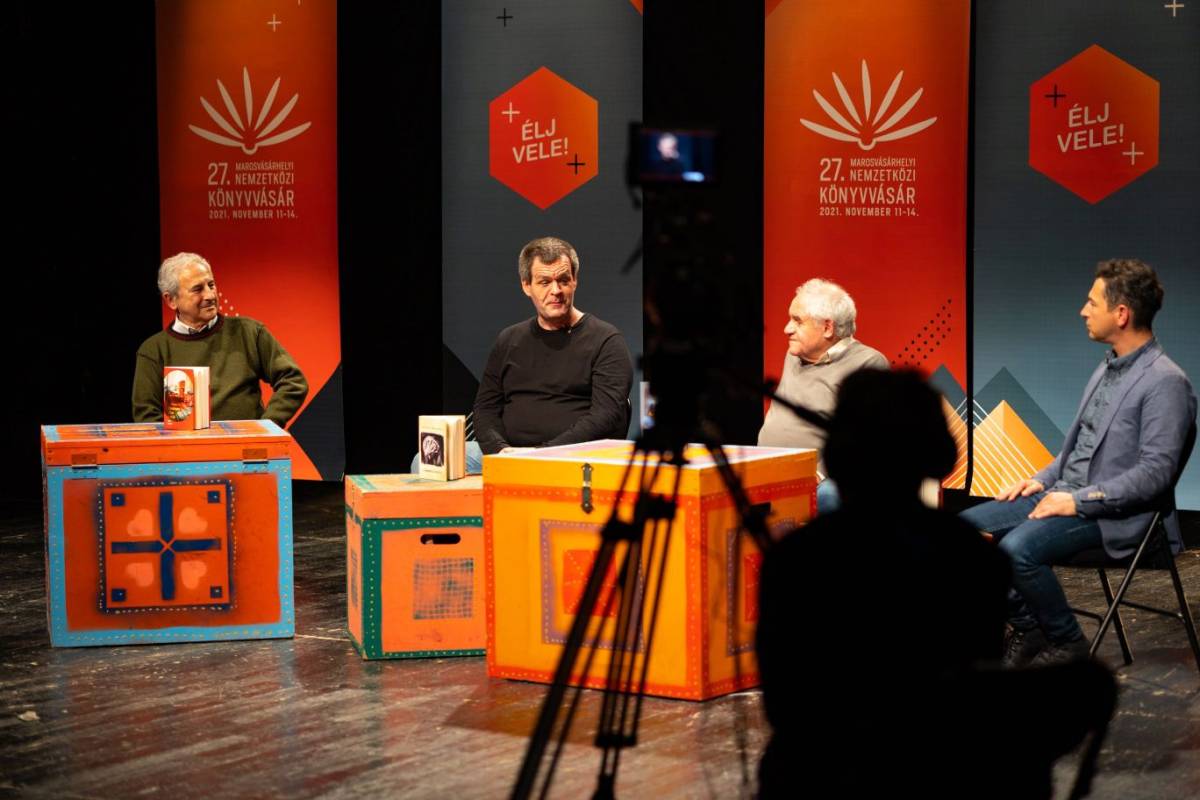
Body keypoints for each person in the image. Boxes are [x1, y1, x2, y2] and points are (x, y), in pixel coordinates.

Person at [756, 369, 1116, 798]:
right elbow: (967, 692)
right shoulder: (970, 557)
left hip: (818, 771)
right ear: (937, 456)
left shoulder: (793, 559)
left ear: (838, 455)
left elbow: (781, 703)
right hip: (939, 767)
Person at [960, 259, 1196, 668]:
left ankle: (1067, 641)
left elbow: (1155, 476)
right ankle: (1029, 626)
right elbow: (1077, 449)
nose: (1083, 311)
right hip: (1063, 494)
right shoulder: (1107, 367)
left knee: (1016, 550)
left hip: (1114, 514)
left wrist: (1077, 501)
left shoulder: (1166, 382)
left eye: (1092, 303)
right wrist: (1040, 480)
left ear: (1121, 314)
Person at [470, 237, 634, 469]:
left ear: (575, 281)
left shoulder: (606, 340)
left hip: (573, 457)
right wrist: (500, 450)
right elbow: (485, 408)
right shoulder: (508, 340)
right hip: (508, 453)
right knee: (427, 460)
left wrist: (540, 454)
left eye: (563, 280)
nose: (555, 291)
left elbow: (605, 416)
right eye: (544, 282)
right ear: (526, 286)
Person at [132, 252, 308, 427]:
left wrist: (266, 427)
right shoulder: (154, 350)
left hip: (248, 444)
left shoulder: (249, 332)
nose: (210, 295)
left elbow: (293, 381)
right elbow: (147, 415)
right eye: (197, 289)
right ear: (171, 300)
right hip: (185, 446)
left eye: (211, 285)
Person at [757, 278, 887, 513]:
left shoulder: (868, 363)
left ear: (828, 328)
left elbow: (863, 437)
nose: (787, 329)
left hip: (824, 479)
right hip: (768, 468)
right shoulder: (796, 354)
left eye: (797, 321)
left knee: (829, 495)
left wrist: (817, 476)